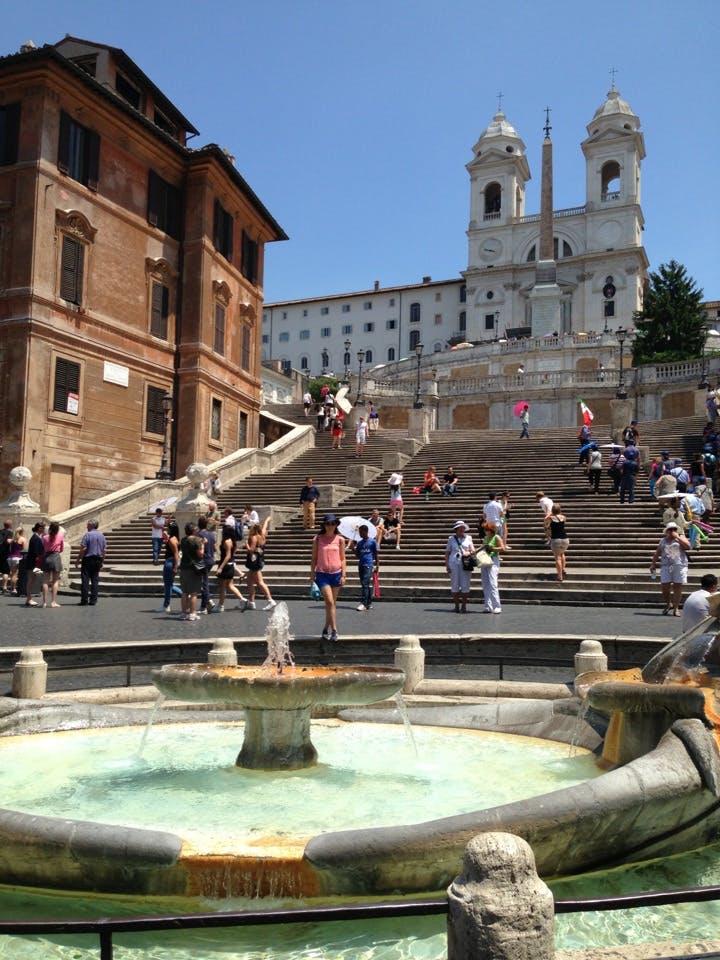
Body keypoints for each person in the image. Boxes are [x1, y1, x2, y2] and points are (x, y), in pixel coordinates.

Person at [310, 514, 346, 641]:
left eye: (332, 523)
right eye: (328, 524)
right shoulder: (317, 539)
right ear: (324, 525)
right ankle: (334, 630)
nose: (330, 526)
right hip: (322, 574)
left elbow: (343, 558)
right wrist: (312, 575)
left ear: (336, 525)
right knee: (330, 602)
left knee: (331, 604)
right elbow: (314, 558)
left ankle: (325, 628)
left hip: (336, 573)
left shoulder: (340, 540)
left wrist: (344, 575)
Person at [650, 521, 691, 617]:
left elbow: (688, 546)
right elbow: (657, 552)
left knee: (677, 586)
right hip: (666, 565)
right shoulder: (663, 540)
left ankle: (676, 608)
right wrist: (653, 564)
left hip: (679, 565)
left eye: (674, 529)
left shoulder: (681, 538)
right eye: (670, 529)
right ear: (667, 531)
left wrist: (677, 537)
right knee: (664, 586)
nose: (672, 531)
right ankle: (668, 604)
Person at [244, 516, 276, 611]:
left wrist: (246, 544)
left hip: (254, 561)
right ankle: (251, 602)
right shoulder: (262, 535)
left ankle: (270, 600)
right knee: (249, 581)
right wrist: (267, 520)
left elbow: (251, 550)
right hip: (259, 559)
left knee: (260, 582)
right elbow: (265, 526)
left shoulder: (254, 537)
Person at [445, 520, 476, 614]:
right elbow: (447, 553)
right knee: (454, 584)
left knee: (465, 584)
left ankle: (464, 606)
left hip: (465, 564)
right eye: (460, 528)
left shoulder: (469, 538)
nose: (462, 530)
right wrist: (447, 565)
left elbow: (473, 551)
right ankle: (456, 606)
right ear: (456, 529)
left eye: (463, 528)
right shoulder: (451, 539)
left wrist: (468, 552)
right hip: (454, 563)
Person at [215, 523, 246, 612]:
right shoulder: (232, 541)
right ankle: (242, 599)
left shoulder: (227, 541)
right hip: (230, 564)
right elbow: (232, 552)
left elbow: (228, 555)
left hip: (226, 565)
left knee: (223, 587)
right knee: (230, 585)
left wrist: (221, 567)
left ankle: (220, 605)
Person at [75, 519, 106, 606]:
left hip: (88, 559)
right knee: (95, 580)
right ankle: (93, 600)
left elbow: (83, 548)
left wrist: (78, 560)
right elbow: (104, 550)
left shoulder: (87, 535)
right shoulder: (102, 535)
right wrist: (102, 561)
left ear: (92, 526)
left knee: (85, 580)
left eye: (88, 525)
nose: (86, 527)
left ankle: (84, 600)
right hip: (98, 559)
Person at [178, 522, 204, 621]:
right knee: (194, 592)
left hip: (184, 567)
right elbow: (200, 554)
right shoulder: (197, 540)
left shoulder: (183, 540)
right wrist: (203, 544)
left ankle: (183, 613)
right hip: (193, 568)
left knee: (184, 592)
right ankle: (192, 613)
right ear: (193, 530)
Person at [479, 521, 507, 614]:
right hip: (485, 560)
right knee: (485, 583)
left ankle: (497, 606)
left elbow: (503, 548)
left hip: (493, 560)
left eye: (486, 529)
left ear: (491, 530)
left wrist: (492, 548)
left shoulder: (496, 537)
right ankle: (488, 606)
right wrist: (474, 552)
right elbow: (482, 547)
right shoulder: (486, 538)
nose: (485, 531)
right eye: (484, 529)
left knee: (493, 583)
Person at [354, 523, 378, 611]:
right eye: (359, 532)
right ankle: (369, 603)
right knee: (365, 584)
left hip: (369, 564)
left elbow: (376, 554)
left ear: (366, 532)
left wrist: (377, 565)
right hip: (361, 564)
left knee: (365, 583)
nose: (360, 534)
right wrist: (353, 548)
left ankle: (363, 603)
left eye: (361, 532)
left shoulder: (372, 542)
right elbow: (358, 555)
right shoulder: (359, 543)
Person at [41, 521, 64, 609]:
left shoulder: (45, 537)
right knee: (55, 581)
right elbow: (61, 549)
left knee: (45, 581)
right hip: (56, 557)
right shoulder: (60, 537)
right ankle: (53, 602)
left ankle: (44, 602)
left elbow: (43, 548)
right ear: (58, 529)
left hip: (47, 557)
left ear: (50, 528)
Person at [196, 515, 216, 614]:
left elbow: (198, 548)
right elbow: (215, 548)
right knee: (205, 581)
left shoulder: (199, 534)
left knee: (203, 583)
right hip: (211, 559)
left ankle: (208, 601)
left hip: (203, 560)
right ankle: (204, 605)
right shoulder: (211, 534)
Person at [159, 520, 180, 614]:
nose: (167, 529)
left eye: (169, 528)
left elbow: (176, 553)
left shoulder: (172, 540)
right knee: (169, 584)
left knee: (167, 584)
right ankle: (183, 594)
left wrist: (175, 566)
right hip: (172, 561)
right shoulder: (176, 538)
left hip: (170, 562)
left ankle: (166, 605)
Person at [24, 521, 45, 607]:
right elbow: (36, 553)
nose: (44, 530)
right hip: (34, 563)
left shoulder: (35, 537)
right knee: (33, 580)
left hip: (33, 563)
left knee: (32, 580)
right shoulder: (36, 538)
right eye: (43, 528)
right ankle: (29, 599)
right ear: (40, 528)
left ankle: (29, 599)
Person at [546, 503, 569, 582]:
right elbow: (563, 522)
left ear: (552, 510)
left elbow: (545, 523)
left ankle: (560, 577)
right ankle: (563, 569)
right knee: (562, 553)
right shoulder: (564, 517)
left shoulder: (550, 518)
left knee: (558, 557)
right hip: (565, 539)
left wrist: (549, 514)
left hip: (556, 539)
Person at [6, 527, 26, 596]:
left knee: (12, 574)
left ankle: (12, 589)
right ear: (22, 532)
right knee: (15, 574)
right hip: (17, 557)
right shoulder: (23, 539)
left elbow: (8, 541)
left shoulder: (12, 539)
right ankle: (13, 589)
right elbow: (24, 550)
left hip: (10, 557)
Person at [0, 519, 12, 593]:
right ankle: (4, 587)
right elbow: (8, 541)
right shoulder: (10, 533)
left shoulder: (0, 531)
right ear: (10, 525)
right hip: (5, 554)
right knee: (5, 571)